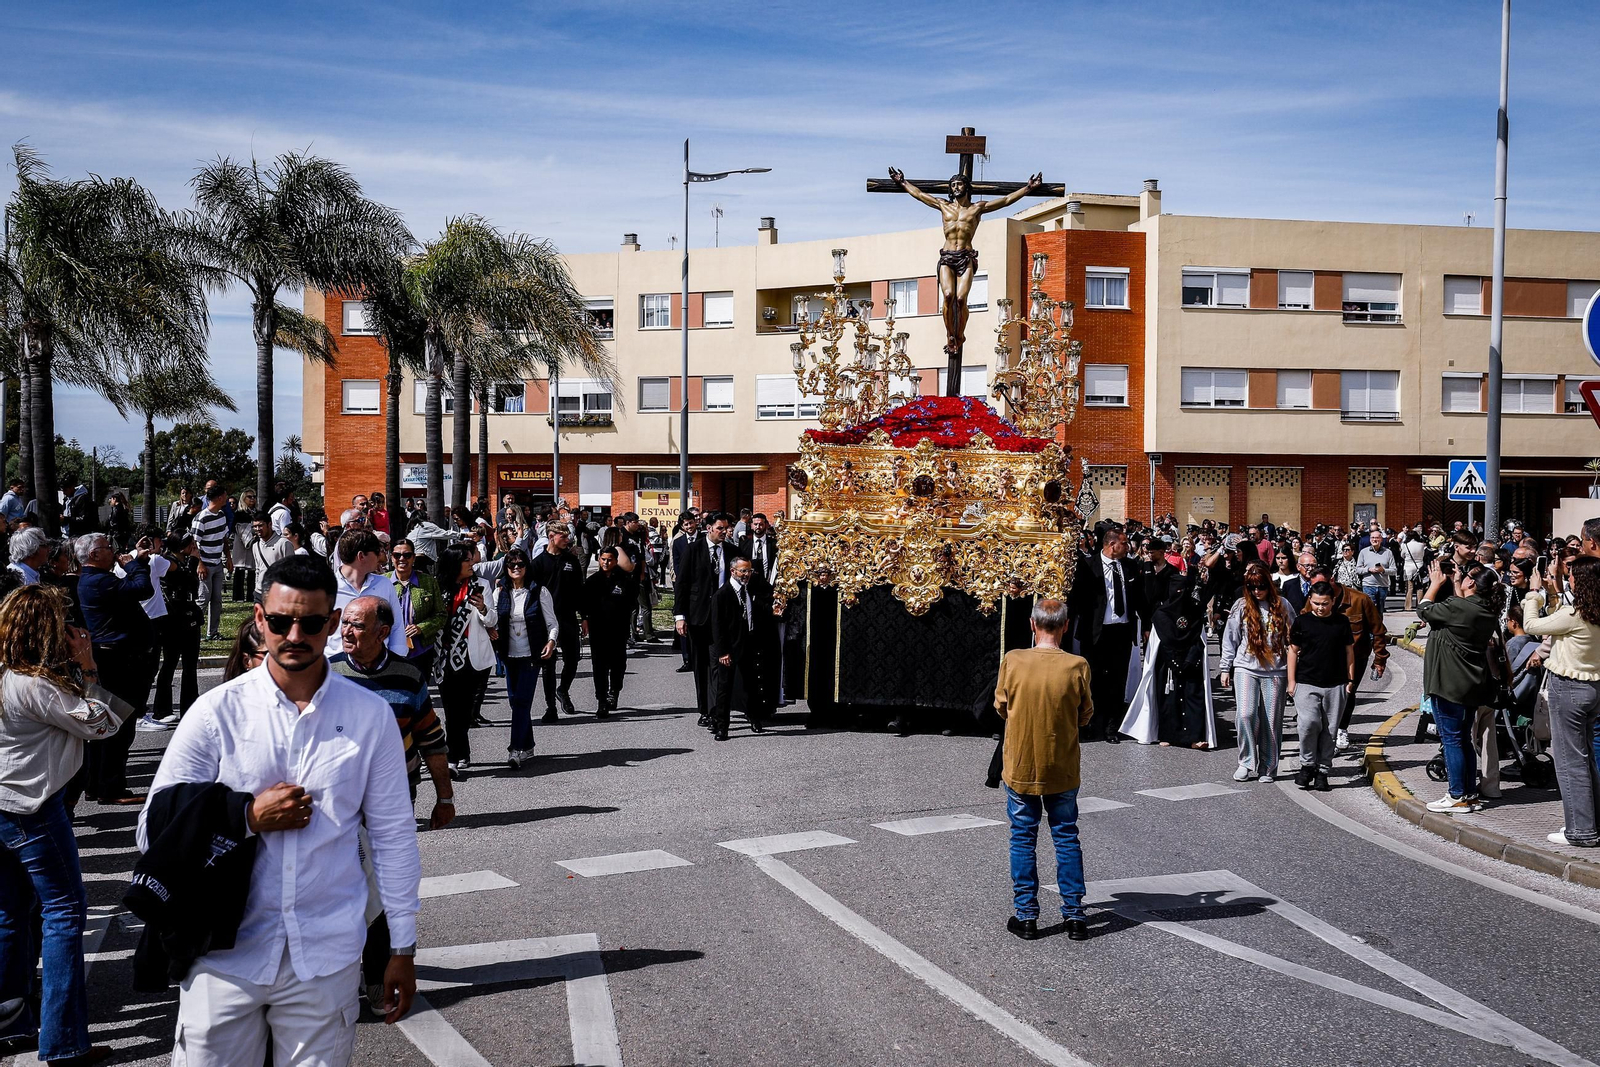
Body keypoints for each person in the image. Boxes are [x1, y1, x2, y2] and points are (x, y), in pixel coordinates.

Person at [138, 554, 422, 1065]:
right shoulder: (217, 710)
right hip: (223, 954)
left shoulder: (369, 717)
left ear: (332, 624)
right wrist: (244, 817)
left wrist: (401, 947)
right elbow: (151, 828)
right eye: (281, 621)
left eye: (311, 623)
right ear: (260, 618)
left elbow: (394, 835)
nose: (295, 634)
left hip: (325, 955)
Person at [0, 586, 134, 1065]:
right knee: (64, 914)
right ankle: (62, 1042)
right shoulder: (35, 686)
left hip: (3, 806)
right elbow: (102, 723)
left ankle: (10, 1020)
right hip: (32, 809)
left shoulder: (9, 677)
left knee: (12, 913)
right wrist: (89, 664)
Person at [993, 598, 1092, 942]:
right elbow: (1085, 713)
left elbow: (1001, 706)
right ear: (1065, 626)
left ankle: (1027, 915)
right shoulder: (1077, 665)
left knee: (1023, 836)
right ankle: (1075, 915)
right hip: (1061, 764)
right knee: (1065, 835)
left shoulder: (1014, 660)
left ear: (1033, 625)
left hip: (1021, 763)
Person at [1522, 557, 1600, 847]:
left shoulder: (1573, 614)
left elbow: (1531, 624)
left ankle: (1580, 831)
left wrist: (1533, 593)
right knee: (1587, 758)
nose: (1570, 579)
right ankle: (1593, 822)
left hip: (1568, 688)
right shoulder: (1588, 612)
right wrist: (1553, 590)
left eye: (1573, 576)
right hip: (1595, 688)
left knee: (1570, 763)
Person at [75, 533, 155, 805]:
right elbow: (143, 589)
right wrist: (132, 564)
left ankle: (97, 783)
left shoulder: (97, 579)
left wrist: (138, 561)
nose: (112, 551)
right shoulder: (99, 582)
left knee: (109, 724)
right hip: (119, 661)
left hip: (114, 658)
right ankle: (110, 787)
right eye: (107, 548)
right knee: (119, 726)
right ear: (94, 555)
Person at [1417, 559, 1501, 814]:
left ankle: (1456, 795)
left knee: (1452, 739)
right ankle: (1469, 793)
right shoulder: (1486, 610)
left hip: (1448, 683)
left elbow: (1424, 609)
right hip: (1471, 684)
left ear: (1472, 583)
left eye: (1466, 575)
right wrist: (1455, 582)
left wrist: (1434, 584)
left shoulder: (1457, 607)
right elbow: (1460, 607)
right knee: (1464, 738)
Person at [1065, 523, 1142, 743]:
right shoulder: (1089, 566)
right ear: (1111, 545)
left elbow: (1139, 597)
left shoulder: (1129, 566)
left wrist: (1145, 625)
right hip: (1096, 632)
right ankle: (1089, 723)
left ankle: (1111, 727)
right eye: (1124, 543)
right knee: (1092, 679)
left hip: (1121, 630)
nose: (1128, 546)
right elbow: (1076, 597)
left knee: (1117, 680)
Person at [1220, 562, 1296, 783]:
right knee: (1245, 714)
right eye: (1252, 587)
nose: (1257, 591)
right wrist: (1225, 667)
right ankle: (1246, 762)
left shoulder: (1283, 605)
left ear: (1269, 585)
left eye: (1261, 586)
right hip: (1246, 667)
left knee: (1271, 721)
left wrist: (1294, 673)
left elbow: (1294, 640)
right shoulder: (1240, 606)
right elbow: (1230, 638)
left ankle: (1268, 767)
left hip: (1276, 671)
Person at [491, 549, 558, 767]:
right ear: (506, 569)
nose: (516, 568)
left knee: (522, 701)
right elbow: (492, 618)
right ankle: (528, 744)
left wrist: (551, 641)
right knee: (515, 701)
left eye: (520, 564)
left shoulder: (539, 591)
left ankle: (516, 749)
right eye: (511, 565)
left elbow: (552, 623)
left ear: (527, 566)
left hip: (532, 653)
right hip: (508, 654)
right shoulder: (500, 592)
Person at [1287, 581, 1355, 791]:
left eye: (1325, 603)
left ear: (1333, 602)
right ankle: (1307, 764)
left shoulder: (1341, 622)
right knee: (1308, 724)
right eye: (1316, 603)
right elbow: (1292, 651)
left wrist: (1350, 680)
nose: (1320, 607)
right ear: (1310, 601)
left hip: (1336, 684)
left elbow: (1349, 652)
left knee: (1330, 730)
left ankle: (1322, 771)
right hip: (1306, 682)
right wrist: (1291, 683)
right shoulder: (1302, 622)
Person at [674, 512, 741, 725]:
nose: (724, 532)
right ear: (709, 528)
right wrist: (680, 616)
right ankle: (705, 708)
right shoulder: (693, 550)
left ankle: (717, 710)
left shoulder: (732, 551)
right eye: (720, 528)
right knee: (701, 664)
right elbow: (682, 585)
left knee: (719, 663)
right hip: (698, 617)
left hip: (723, 618)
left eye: (727, 528)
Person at [436, 545, 498, 770]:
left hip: (472, 658)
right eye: (467, 560)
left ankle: (456, 754)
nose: (472, 563)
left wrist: (483, 609)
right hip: (443, 657)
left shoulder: (481, 586)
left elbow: (492, 621)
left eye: (472, 559)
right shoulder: (439, 587)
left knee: (463, 710)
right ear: (454, 563)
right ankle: (458, 753)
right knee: (451, 708)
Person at [708, 558, 769, 741]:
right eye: (743, 571)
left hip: (748, 643)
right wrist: (722, 652)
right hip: (730, 647)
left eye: (749, 571)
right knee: (724, 687)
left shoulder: (750, 589)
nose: (746, 574)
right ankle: (722, 726)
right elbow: (717, 627)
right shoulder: (722, 595)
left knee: (751, 684)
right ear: (733, 571)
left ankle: (754, 717)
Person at [528, 525, 584, 720]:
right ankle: (550, 707)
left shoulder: (572, 561)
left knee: (573, 659)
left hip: (568, 617)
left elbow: (579, 590)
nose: (567, 539)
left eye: (568, 536)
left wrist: (584, 617)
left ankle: (563, 690)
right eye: (563, 536)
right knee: (548, 664)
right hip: (545, 620)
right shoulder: (538, 563)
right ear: (551, 537)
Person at [326, 530, 407, 660]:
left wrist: (397, 663)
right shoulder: (326, 588)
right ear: (361, 556)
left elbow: (396, 626)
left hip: (379, 669)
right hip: (336, 669)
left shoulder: (384, 584)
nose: (381, 557)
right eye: (377, 552)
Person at [582, 544, 640, 713]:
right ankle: (601, 700)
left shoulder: (625, 580)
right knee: (599, 666)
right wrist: (585, 619)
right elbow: (585, 603)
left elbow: (631, 602)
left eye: (609, 560)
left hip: (618, 629)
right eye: (603, 559)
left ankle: (614, 692)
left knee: (618, 664)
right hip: (598, 629)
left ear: (615, 560)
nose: (606, 563)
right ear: (599, 559)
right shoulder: (592, 581)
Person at [151, 533, 202, 726]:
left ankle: (187, 708)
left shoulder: (178, 561)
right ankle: (162, 709)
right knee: (171, 664)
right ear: (183, 547)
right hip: (175, 620)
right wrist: (195, 561)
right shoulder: (169, 564)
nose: (195, 547)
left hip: (184, 617)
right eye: (192, 544)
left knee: (188, 666)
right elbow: (188, 582)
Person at [390, 539, 445, 683]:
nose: (402, 559)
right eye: (397, 555)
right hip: (389, 651)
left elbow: (441, 615)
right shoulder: (382, 582)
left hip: (420, 650)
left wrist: (421, 628)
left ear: (413, 558)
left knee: (419, 695)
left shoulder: (428, 582)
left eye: (407, 555)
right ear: (392, 558)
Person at [190, 485, 230, 641]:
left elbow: (224, 538)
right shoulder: (202, 517)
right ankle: (193, 630)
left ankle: (212, 632)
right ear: (219, 497)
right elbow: (194, 543)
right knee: (203, 599)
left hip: (217, 563)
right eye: (225, 495)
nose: (226, 498)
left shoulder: (221, 515)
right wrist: (200, 564)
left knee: (217, 600)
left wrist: (228, 558)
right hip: (205, 563)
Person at [247, 514, 293, 601]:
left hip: (278, 592)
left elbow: (291, 570)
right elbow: (258, 569)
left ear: (270, 524)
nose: (257, 529)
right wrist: (257, 588)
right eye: (255, 526)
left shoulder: (284, 543)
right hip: (259, 593)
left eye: (260, 525)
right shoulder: (255, 546)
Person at [1356, 530, 1395, 615]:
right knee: (1370, 611)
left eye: (1377, 538)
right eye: (1373, 538)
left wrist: (1383, 570)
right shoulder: (1363, 552)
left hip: (1382, 586)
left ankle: (1379, 628)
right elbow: (1358, 569)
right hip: (1368, 585)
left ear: (1381, 539)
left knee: (1379, 612)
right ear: (1370, 540)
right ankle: (1370, 628)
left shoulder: (1388, 552)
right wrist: (1368, 569)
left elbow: (1394, 570)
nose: (1374, 540)